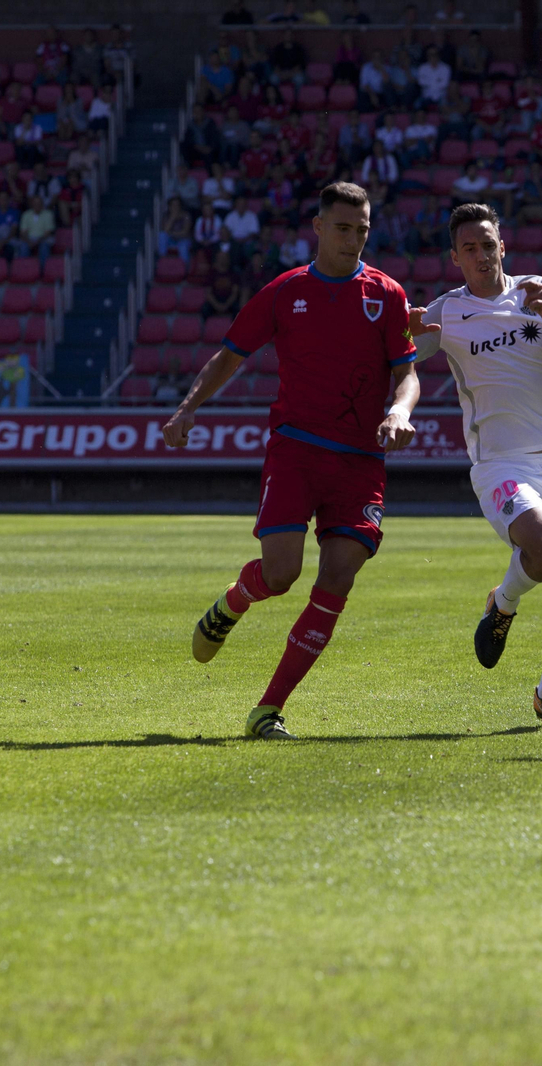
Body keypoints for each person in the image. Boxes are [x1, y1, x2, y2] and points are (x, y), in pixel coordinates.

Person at [163, 182, 429, 740]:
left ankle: (268, 710)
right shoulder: (286, 291)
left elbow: (407, 374)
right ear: (318, 227)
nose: (353, 239)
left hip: (360, 461)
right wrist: (188, 409)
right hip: (297, 451)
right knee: (281, 574)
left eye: (362, 230)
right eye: (343, 228)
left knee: (338, 576)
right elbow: (229, 356)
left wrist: (399, 411)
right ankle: (234, 600)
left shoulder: (386, 294)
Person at [408, 202, 542, 728]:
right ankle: (504, 603)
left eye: (488, 244)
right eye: (469, 247)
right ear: (455, 257)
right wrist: (400, 333)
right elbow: (396, 359)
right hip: (498, 464)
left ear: (503, 247)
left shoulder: (540, 290)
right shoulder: (447, 311)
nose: (481, 255)